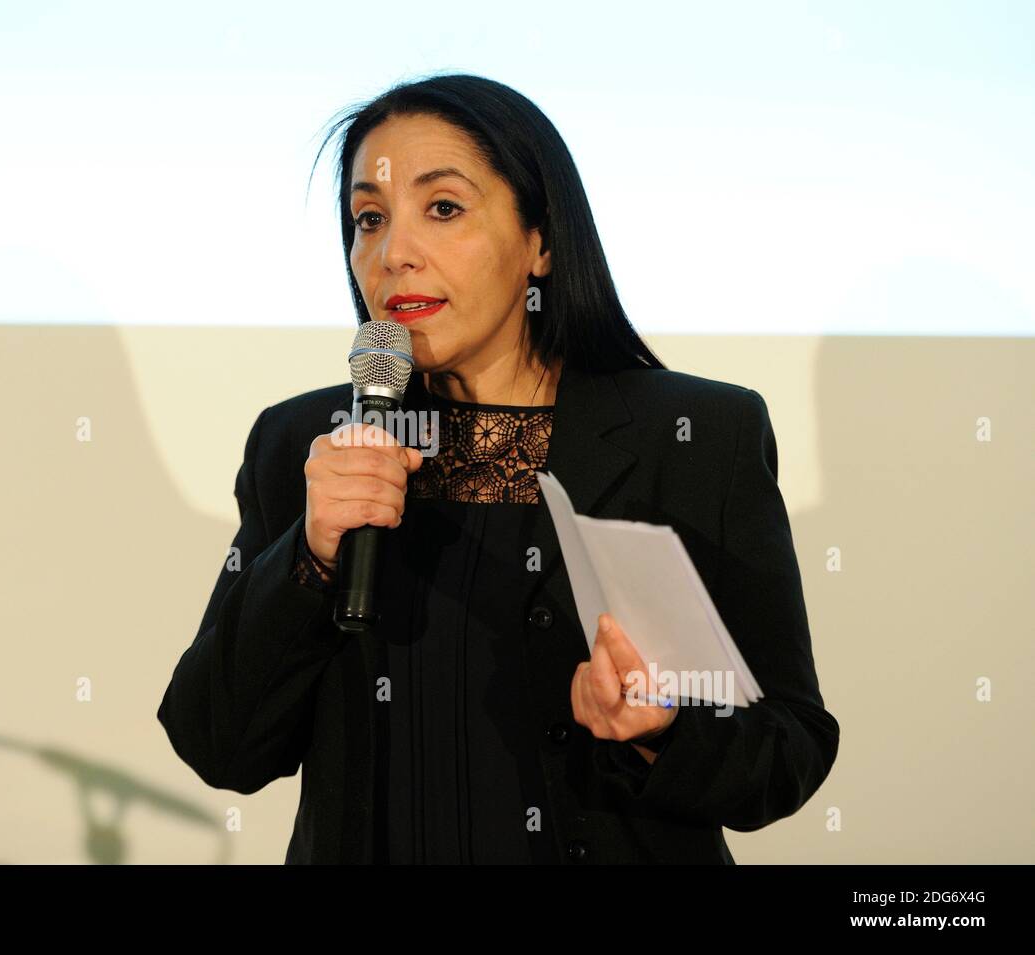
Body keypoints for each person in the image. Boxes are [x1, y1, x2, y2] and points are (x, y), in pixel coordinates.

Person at [157, 73, 839, 864]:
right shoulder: (305, 442)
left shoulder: (692, 437)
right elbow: (216, 742)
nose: (393, 253)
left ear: (541, 242)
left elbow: (789, 743)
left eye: (442, 209)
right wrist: (307, 556)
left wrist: (664, 728)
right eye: (368, 219)